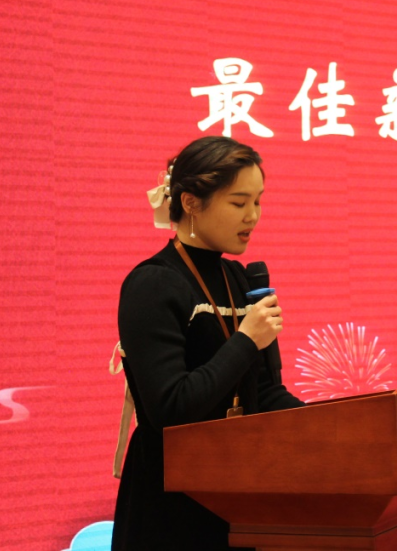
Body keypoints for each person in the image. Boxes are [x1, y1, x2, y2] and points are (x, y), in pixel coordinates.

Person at [111, 136, 304, 551]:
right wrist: (246, 339)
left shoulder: (239, 279)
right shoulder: (152, 284)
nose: (253, 216)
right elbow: (171, 407)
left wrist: (332, 428)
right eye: (238, 203)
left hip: (236, 491)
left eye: (258, 201)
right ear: (191, 203)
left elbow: (263, 393)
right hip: (170, 505)